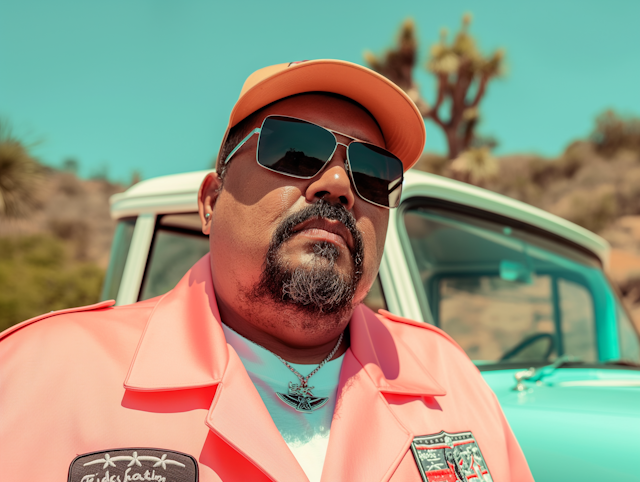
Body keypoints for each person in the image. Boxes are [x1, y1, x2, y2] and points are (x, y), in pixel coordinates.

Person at [0, 59, 533, 482]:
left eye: (373, 172)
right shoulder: (38, 373)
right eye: (296, 151)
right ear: (211, 202)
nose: (339, 185)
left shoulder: (450, 380)